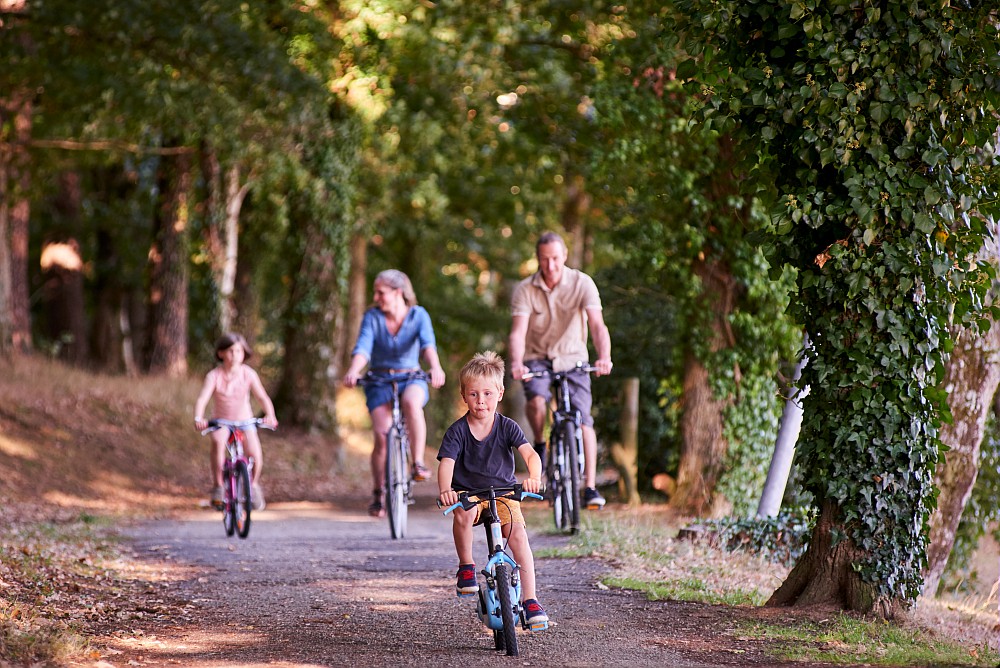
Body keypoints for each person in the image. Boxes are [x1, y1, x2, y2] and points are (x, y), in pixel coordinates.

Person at [437, 351, 548, 628]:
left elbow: (531, 455)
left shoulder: (508, 426)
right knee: (463, 513)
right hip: (470, 494)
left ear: (499, 393)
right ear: (464, 395)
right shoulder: (457, 431)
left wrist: (534, 476)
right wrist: (446, 490)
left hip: (503, 493)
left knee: (519, 537)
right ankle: (466, 566)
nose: (481, 401)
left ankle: (530, 600)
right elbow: (447, 464)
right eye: (474, 394)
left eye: (487, 393)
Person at [509, 231, 613, 509]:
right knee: (536, 400)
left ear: (564, 256)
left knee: (583, 420)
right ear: (538, 259)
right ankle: (540, 443)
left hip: (573, 358)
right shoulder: (525, 289)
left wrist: (605, 357)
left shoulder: (582, 283)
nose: (551, 265)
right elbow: (518, 333)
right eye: (545, 259)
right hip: (537, 357)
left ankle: (589, 487)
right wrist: (517, 363)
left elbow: (597, 325)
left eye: (555, 258)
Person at [342, 269, 447, 517]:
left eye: (381, 292)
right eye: (375, 292)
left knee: (412, 403)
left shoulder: (418, 315)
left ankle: (418, 463)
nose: (376, 296)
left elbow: (427, 345)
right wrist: (353, 370)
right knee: (381, 435)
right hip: (379, 379)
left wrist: (435, 367)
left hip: (411, 376)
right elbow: (363, 348)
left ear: (398, 292)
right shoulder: (372, 317)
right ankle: (379, 493)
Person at [194, 332, 278, 511]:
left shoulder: (249, 374)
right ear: (221, 354)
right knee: (218, 441)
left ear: (244, 353)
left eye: (239, 351)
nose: (235, 355)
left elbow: (262, 397)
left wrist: (270, 415)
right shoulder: (214, 375)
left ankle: (253, 486)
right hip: (221, 421)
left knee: (254, 453)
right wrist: (199, 418)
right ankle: (218, 487)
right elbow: (203, 398)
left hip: (245, 420)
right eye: (231, 351)